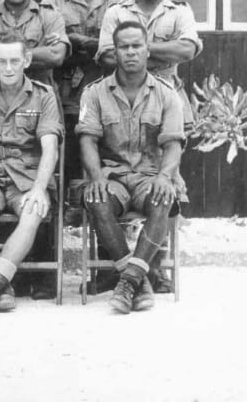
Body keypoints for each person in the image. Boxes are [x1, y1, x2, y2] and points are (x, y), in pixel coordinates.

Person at [95, 0, 201, 294]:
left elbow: (187, 50)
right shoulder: (116, 10)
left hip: (167, 100)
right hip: (122, 98)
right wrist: (157, 48)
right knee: (118, 173)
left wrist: (138, 48)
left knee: (165, 179)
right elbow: (107, 55)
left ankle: (155, 268)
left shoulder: (179, 10)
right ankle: (114, 269)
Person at [77, 21, 186, 314]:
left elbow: (173, 142)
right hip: (113, 175)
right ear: (115, 52)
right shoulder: (95, 93)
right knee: (96, 197)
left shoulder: (166, 94)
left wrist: (166, 176)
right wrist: (96, 175)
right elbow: (87, 140)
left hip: (150, 175)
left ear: (147, 49)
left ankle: (128, 282)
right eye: (123, 47)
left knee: (163, 197)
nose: (130, 52)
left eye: (136, 46)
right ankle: (138, 280)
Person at [0, 30, 63, 314]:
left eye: (14, 61)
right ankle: (2, 285)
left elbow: (50, 147)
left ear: (27, 60)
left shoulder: (44, 95)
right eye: (1, 61)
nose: (7, 68)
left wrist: (40, 188)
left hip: (27, 176)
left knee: (33, 210)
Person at [42, 0, 123, 173]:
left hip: (111, 92)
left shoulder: (119, 5)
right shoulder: (51, 5)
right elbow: (51, 49)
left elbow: (125, 47)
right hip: (66, 94)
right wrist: (100, 44)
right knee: (68, 161)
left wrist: (79, 42)